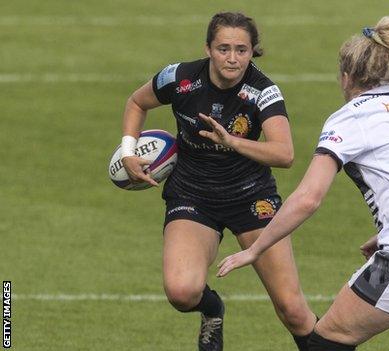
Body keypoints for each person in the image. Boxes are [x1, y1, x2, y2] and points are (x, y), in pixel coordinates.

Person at [217, 14, 389, 351]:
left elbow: (308, 198)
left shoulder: (350, 119)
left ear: (347, 76)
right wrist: (387, 230)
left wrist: (256, 249)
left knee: (325, 343)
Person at [119, 12, 317, 351]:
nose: (232, 58)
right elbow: (137, 102)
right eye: (223, 48)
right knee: (182, 292)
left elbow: (285, 154)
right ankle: (212, 310)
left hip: (251, 198)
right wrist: (128, 152)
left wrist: (233, 142)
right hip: (192, 195)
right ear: (208, 49)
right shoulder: (179, 78)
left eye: (241, 50)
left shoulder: (263, 91)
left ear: (253, 51)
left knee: (293, 310)